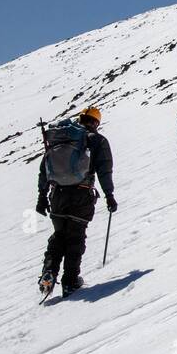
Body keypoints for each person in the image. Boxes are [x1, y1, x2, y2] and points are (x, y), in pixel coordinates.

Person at [35, 105, 116, 299]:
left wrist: (41, 197)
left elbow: (44, 169)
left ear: (80, 119)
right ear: (96, 122)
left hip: (57, 196)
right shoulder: (97, 140)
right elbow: (104, 170)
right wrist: (109, 195)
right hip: (81, 196)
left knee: (59, 236)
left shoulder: (62, 139)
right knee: (75, 238)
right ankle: (70, 282)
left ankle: (49, 272)